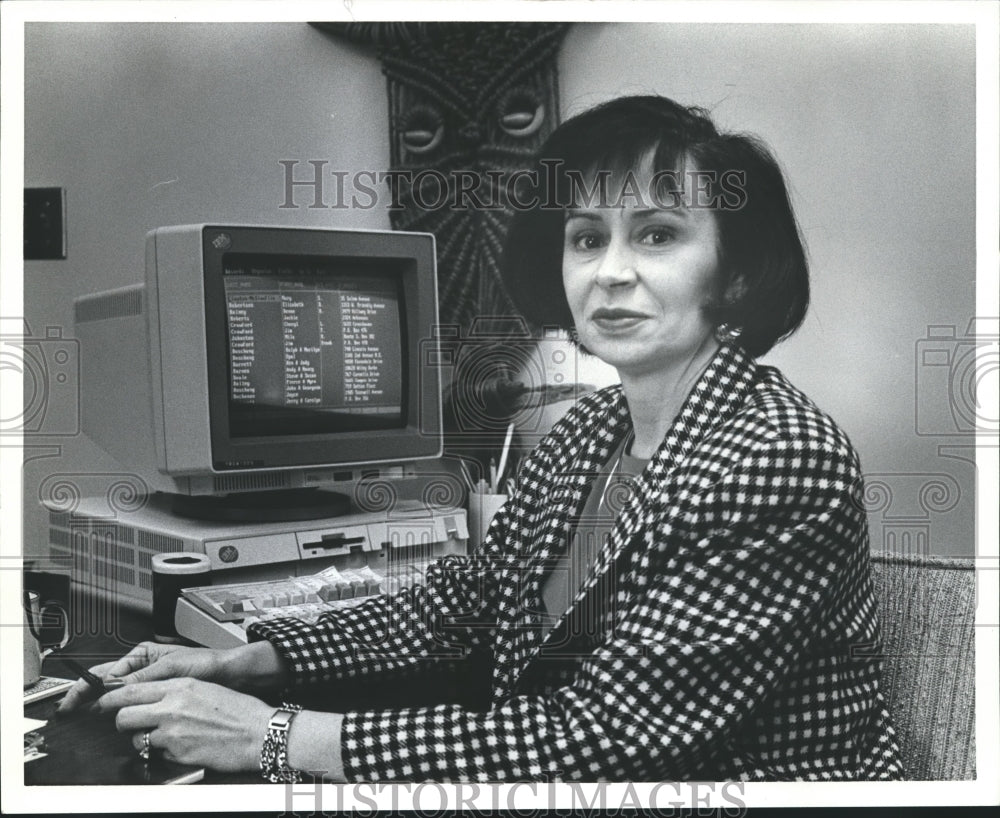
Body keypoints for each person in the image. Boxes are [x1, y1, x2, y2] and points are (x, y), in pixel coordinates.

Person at [58, 95, 903, 782]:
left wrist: (272, 738)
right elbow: (464, 608)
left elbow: (607, 735)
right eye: (586, 239)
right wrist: (243, 665)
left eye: (657, 234)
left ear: (738, 273)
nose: (609, 271)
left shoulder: (779, 454)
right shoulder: (589, 432)